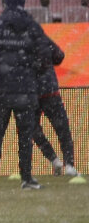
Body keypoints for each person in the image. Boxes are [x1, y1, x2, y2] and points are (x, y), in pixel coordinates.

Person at [0, 0, 51, 190]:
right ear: (23, 3)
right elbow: (46, 53)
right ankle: (26, 177)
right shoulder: (31, 25)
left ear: (6, 2)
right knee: (25, 135)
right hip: (25, 89)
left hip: (0, 88)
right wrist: (32, 72)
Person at [31, 28, 78, 178]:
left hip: (31, 93)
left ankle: (54, 159)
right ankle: (69, 165)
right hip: (50, 90)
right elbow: (59, 56)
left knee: (32, 129)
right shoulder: (41, 37)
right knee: (62, 127)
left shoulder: (18, 43)